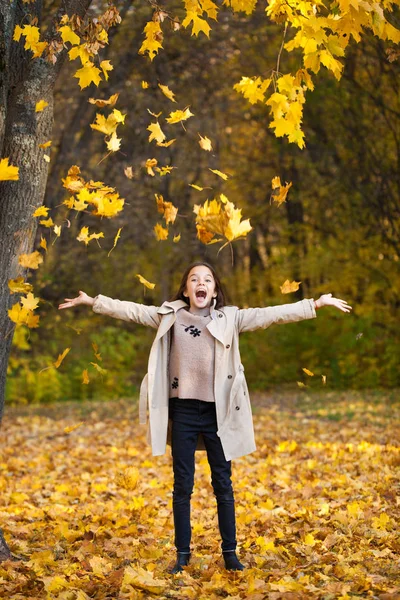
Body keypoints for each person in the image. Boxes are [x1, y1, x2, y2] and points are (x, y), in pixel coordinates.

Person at [58, 261, 352, 574]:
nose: (201, 283)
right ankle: (182, 555)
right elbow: (132, 310)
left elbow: (271, 314)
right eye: (194, 279)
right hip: (182, 411)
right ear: (186, 290)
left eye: (207, 279)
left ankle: (230, 554)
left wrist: (314, 304)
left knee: (223, 485)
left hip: (218, 412)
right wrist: (94, 302)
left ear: (214, 290)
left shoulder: (230, 318)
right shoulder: (170, 315)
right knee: (182, 486)